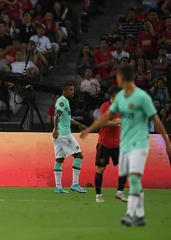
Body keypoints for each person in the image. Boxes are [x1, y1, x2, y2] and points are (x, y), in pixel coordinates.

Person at [81, 65, 171, 226]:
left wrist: (165, 141)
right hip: (109, 143)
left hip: (128, 143)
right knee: (106, 170)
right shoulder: (112, 103)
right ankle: (104, 198)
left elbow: (151, 119)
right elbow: (105, 120)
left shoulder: (135, 99)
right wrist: (91, 129)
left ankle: (124, 198)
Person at [52, 82, 87, 194]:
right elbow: (57, 115)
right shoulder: (62, 100)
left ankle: (58, 187)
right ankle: (75, 184)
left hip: (58, 135)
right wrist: (57, 129)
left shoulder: (65, 101)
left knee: (59, 159)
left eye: (73, 90)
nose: (73, 92)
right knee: (79, 156)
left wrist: (78, 124)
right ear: (64, 91)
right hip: (64, 134)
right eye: (70, 90)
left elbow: (65, 117)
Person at [93, 86, 127, 203]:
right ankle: (98, 195)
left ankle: (120, 192)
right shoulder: (105, 107)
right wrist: (116, 122)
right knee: (101, 169)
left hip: (117, 144)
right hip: (104, 143)